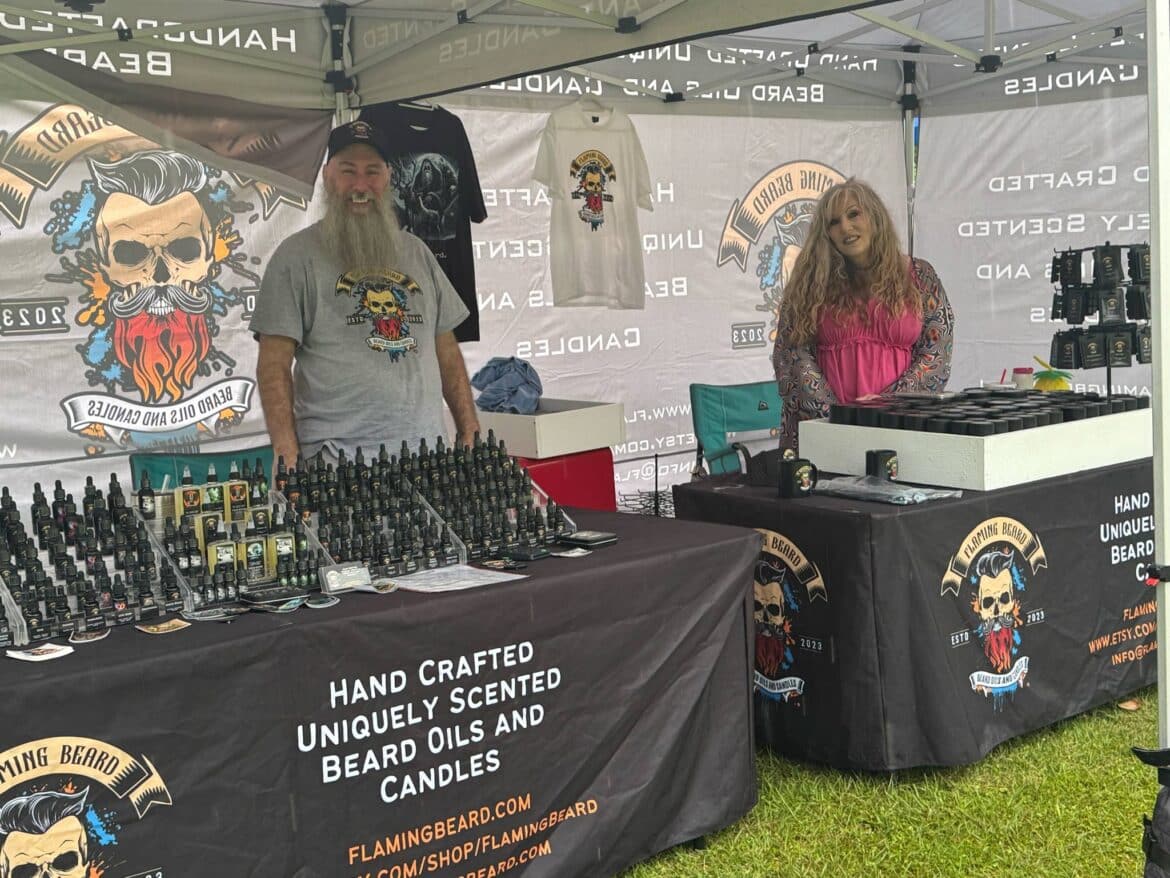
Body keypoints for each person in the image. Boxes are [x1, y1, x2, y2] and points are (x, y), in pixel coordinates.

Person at [250, 120, 480, 466]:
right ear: (327, 176)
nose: (360, 185)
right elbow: (273, 365)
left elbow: (445, 349)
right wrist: (287, 455)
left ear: (388, 178)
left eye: (372, 172)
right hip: (335, 462)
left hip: (426, 458)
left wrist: (469, 427)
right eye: (348, 171)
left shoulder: (417, 253)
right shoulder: (295, 257)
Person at [772, 178, 954, 451]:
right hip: (826, 434)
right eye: (834, 222)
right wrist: (839, 419)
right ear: (826, 233)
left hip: (901, 430)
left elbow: (937, 351)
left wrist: (886, 408)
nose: (845, 227)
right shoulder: (809, 282)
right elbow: (791, 354)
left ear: (875, 217)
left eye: (854, 214)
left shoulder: (920, 276)